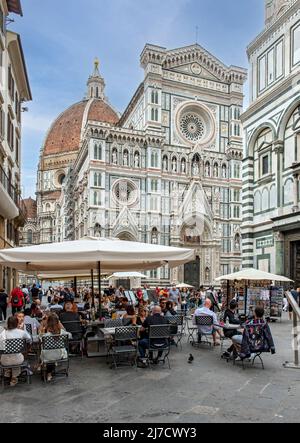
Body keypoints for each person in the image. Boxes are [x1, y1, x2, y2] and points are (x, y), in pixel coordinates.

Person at [0, 316, 32, 386]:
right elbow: (29, 339)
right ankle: (14, 377)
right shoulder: (22, 332)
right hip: (18, 359)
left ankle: (7, 373)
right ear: (17, 323)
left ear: (7, 324)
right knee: (17, 357)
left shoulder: (2, 334)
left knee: (7, 356)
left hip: (5, 361)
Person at [40, 313, 71, 382]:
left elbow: (39, 338)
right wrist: (61, 326)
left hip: (47, 356)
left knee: (47, 352)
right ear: (58, 322)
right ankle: (49, 372)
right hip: (59, 355)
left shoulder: (45, 335)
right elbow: (70, 335)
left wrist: (42, 327)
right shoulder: (62, 333)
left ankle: (48, 372)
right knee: (54, 352)